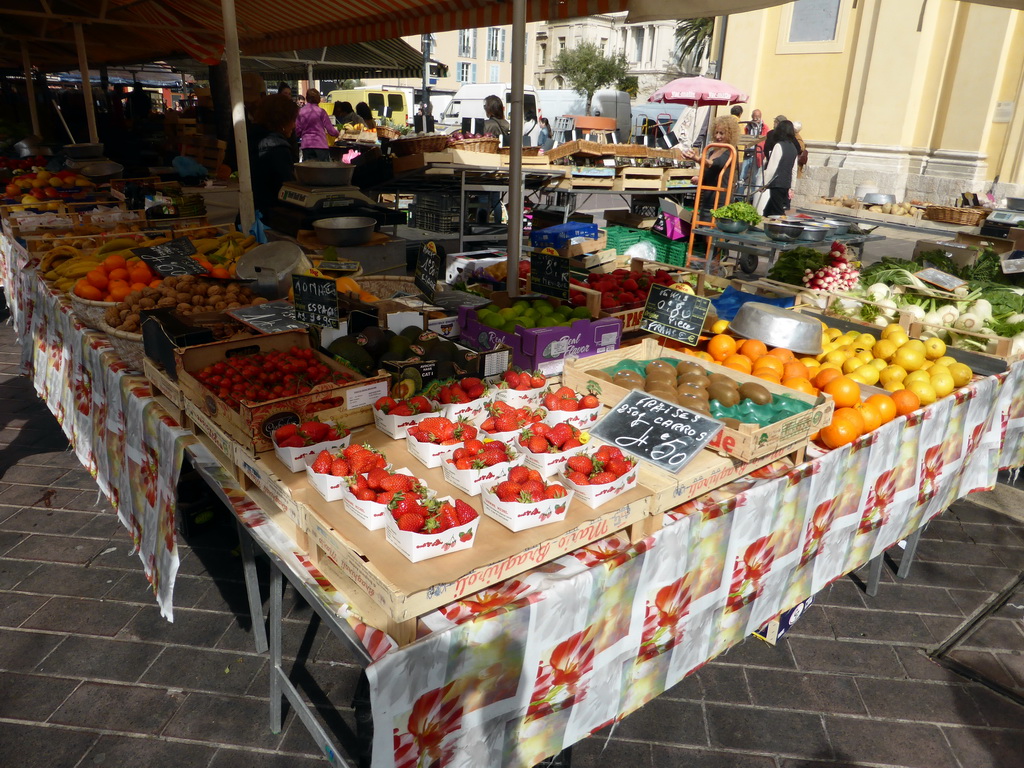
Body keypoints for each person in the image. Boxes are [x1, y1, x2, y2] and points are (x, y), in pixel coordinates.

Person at [249, 94, 299, 220]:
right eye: (293, 120)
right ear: (283, 120)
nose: (294, 126)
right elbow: (286, 187)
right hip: (269, 216)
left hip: (250, 210)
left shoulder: (249, 136)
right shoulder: (278, 147)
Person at [682, 115, 739, 216]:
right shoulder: (712, 151)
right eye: (716, 132)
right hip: (707, 198)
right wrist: (700, 179)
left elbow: (716, 164)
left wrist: (697, 158)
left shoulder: (731, 150)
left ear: (730, 134)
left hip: (720, 200)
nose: (717, 136)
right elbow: (710, 173)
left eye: (722, 133)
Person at [756, 119, 800, 217]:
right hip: (786, 183)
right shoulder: (793, 147)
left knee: (777, 211)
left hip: (777, 183)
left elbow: (772, 167)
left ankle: (781, 230)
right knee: (768, 211)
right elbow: (794, 169)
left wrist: (764, 184)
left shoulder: (779, 146)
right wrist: (792, 187)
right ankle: (765, 225)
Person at [294, 89, 339, 162]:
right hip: (320, 145)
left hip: (306, 145)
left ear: (307, 98)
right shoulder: (321, 112)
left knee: (309, 171)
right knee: (322, 171)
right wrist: (338, 134)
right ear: (318, 99)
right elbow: (330, 130)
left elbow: (297, 130)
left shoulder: (301, 112)